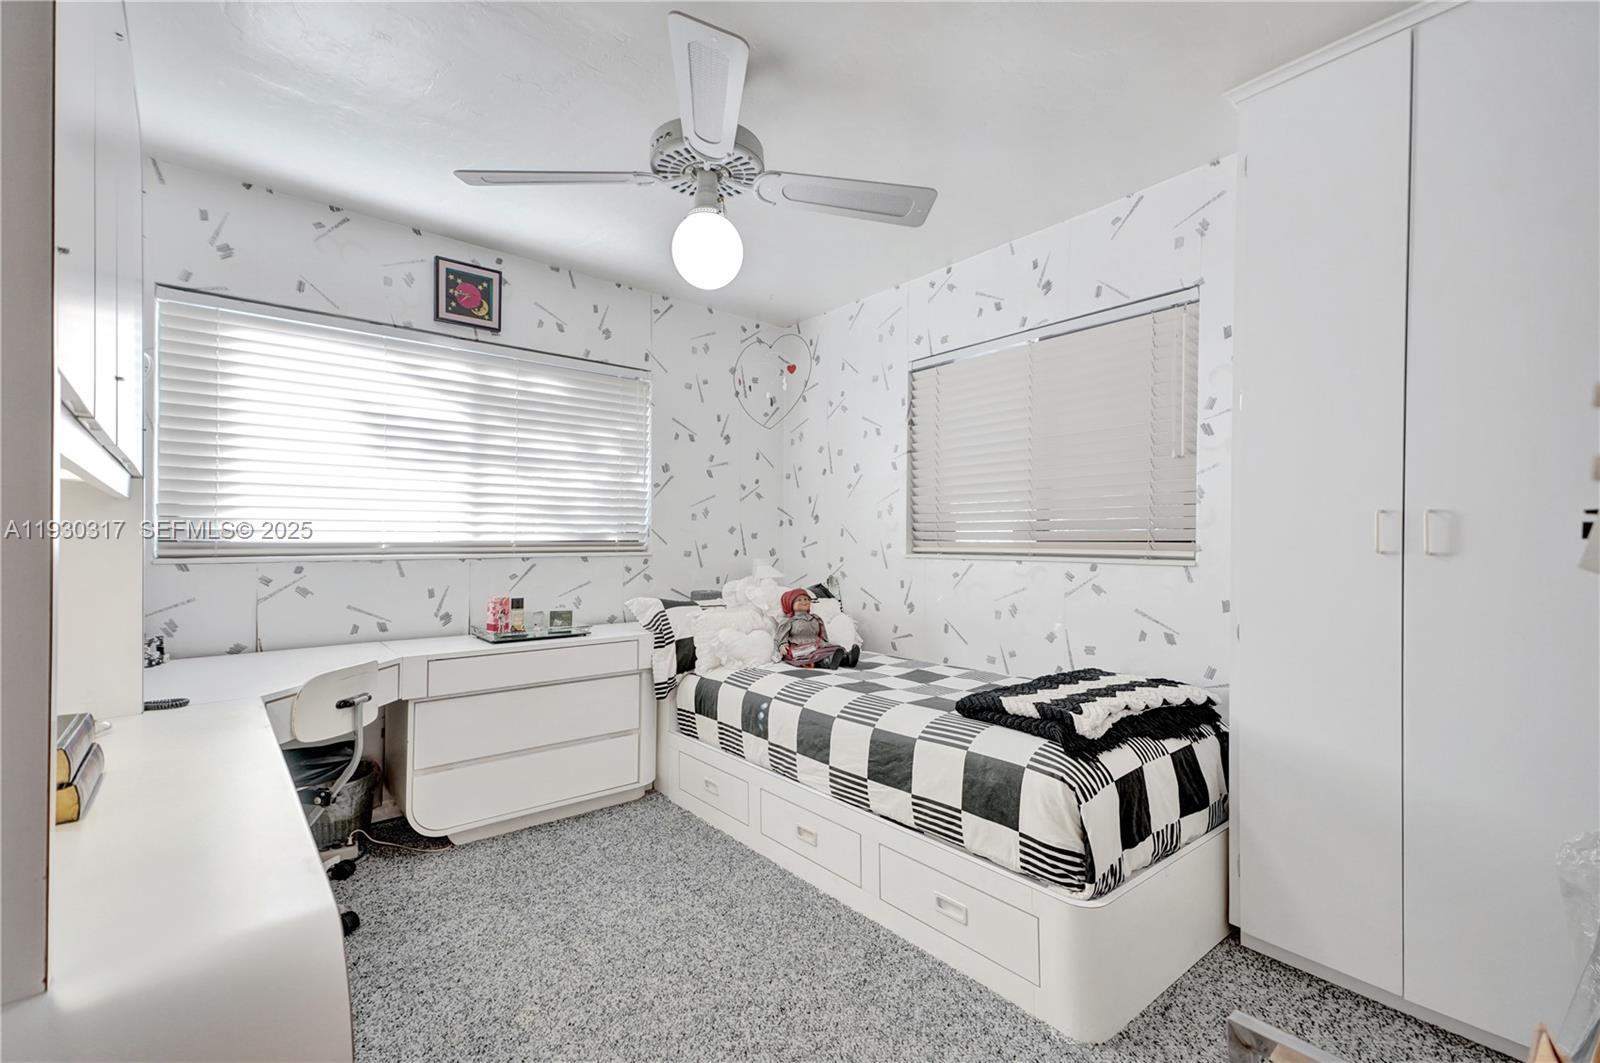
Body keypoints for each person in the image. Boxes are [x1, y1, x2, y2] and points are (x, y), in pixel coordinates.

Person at [776, 588, 860, 669]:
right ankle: (827, 662)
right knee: (814, 654)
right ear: (790, 604)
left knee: (834, 649)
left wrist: (826, 644)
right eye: (799, 600)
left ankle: (847, 659)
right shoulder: (788, 621)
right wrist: (782, 645)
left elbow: (822, 633)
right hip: (799, 647)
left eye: (806, 599)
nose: (804, 602)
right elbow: (781, 637)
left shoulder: (816, 618)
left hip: (817, 644)